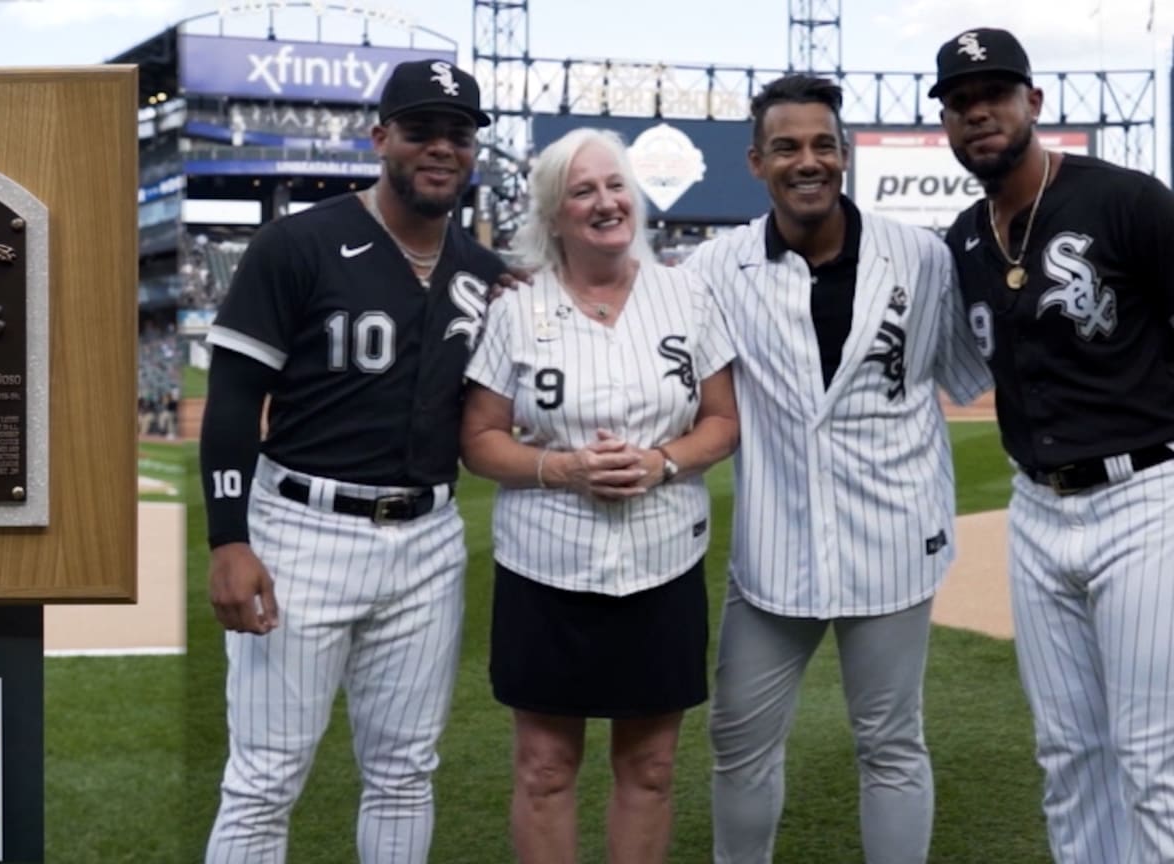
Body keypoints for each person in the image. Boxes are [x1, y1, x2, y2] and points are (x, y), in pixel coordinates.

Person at [198, 58, 505, 864]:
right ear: (381, 139)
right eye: (420, 131)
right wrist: (228, 539)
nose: (441, 148)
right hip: (300, 530)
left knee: (405, 774)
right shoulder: (296, 244)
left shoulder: (481, 272)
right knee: (264, 779)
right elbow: (232, 402)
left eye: (459, 134)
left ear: (473, 151)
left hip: (429, 538)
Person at [682, 74, 991, 864]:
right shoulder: (714, 269)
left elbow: (965, 374)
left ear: (846, 154)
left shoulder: (920, 257)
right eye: (787, 147)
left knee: (891, 742)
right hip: (774, 550)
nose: (807, 160)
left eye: (823, 144)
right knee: (737, 738)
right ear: (756, 162)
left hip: (893, 537)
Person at [460, 127, 739, 862]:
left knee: (649, 770)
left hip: (662, 559)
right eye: (582, 191)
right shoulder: (517, 307)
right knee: (545, 770)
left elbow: (723, 421)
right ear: (555, 214)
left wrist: (662, 462)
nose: (605, 201)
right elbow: (479, 438)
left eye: (615, 185)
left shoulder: (686, 294)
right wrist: (563, 469)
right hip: (546, 563)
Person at [932, 28, 1174, 862]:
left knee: (1153, 758)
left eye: (994, 95)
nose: (979, 113)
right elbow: (959, 373)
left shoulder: (1128, 201)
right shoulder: (963, 241)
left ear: (1033, 103)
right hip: (1036, 509)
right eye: (961, 104)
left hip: (1144, 499)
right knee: (1069, 756)